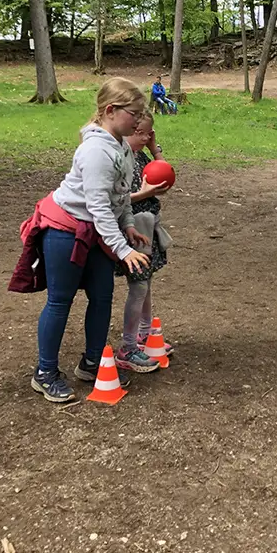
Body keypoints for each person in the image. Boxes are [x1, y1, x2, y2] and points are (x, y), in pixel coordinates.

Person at [11, 77, 151, 403]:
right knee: (60, 301)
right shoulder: (95, 151)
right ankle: (45, 373)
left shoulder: (121, 146)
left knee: (102, 296)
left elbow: (120, 196)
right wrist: (122, 249)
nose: (139, 118)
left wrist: (128, 225)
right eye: (135, 112)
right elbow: (98, 206)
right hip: (65, 230)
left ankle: (92, 363)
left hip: (98, 230)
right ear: (111, 110)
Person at [117, 110, 175, 371]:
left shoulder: (141, 154)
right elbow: (118, 200)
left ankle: (144, 333)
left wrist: (155, 149)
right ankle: (128, 347)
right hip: (133, 229)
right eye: (141, 133)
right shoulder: (121, 158)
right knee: (139, 286)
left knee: (146, 282)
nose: (145, 137)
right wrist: (144, 194)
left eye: (149, 133)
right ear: (127, 129)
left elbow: (166, 175)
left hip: (147, 227)